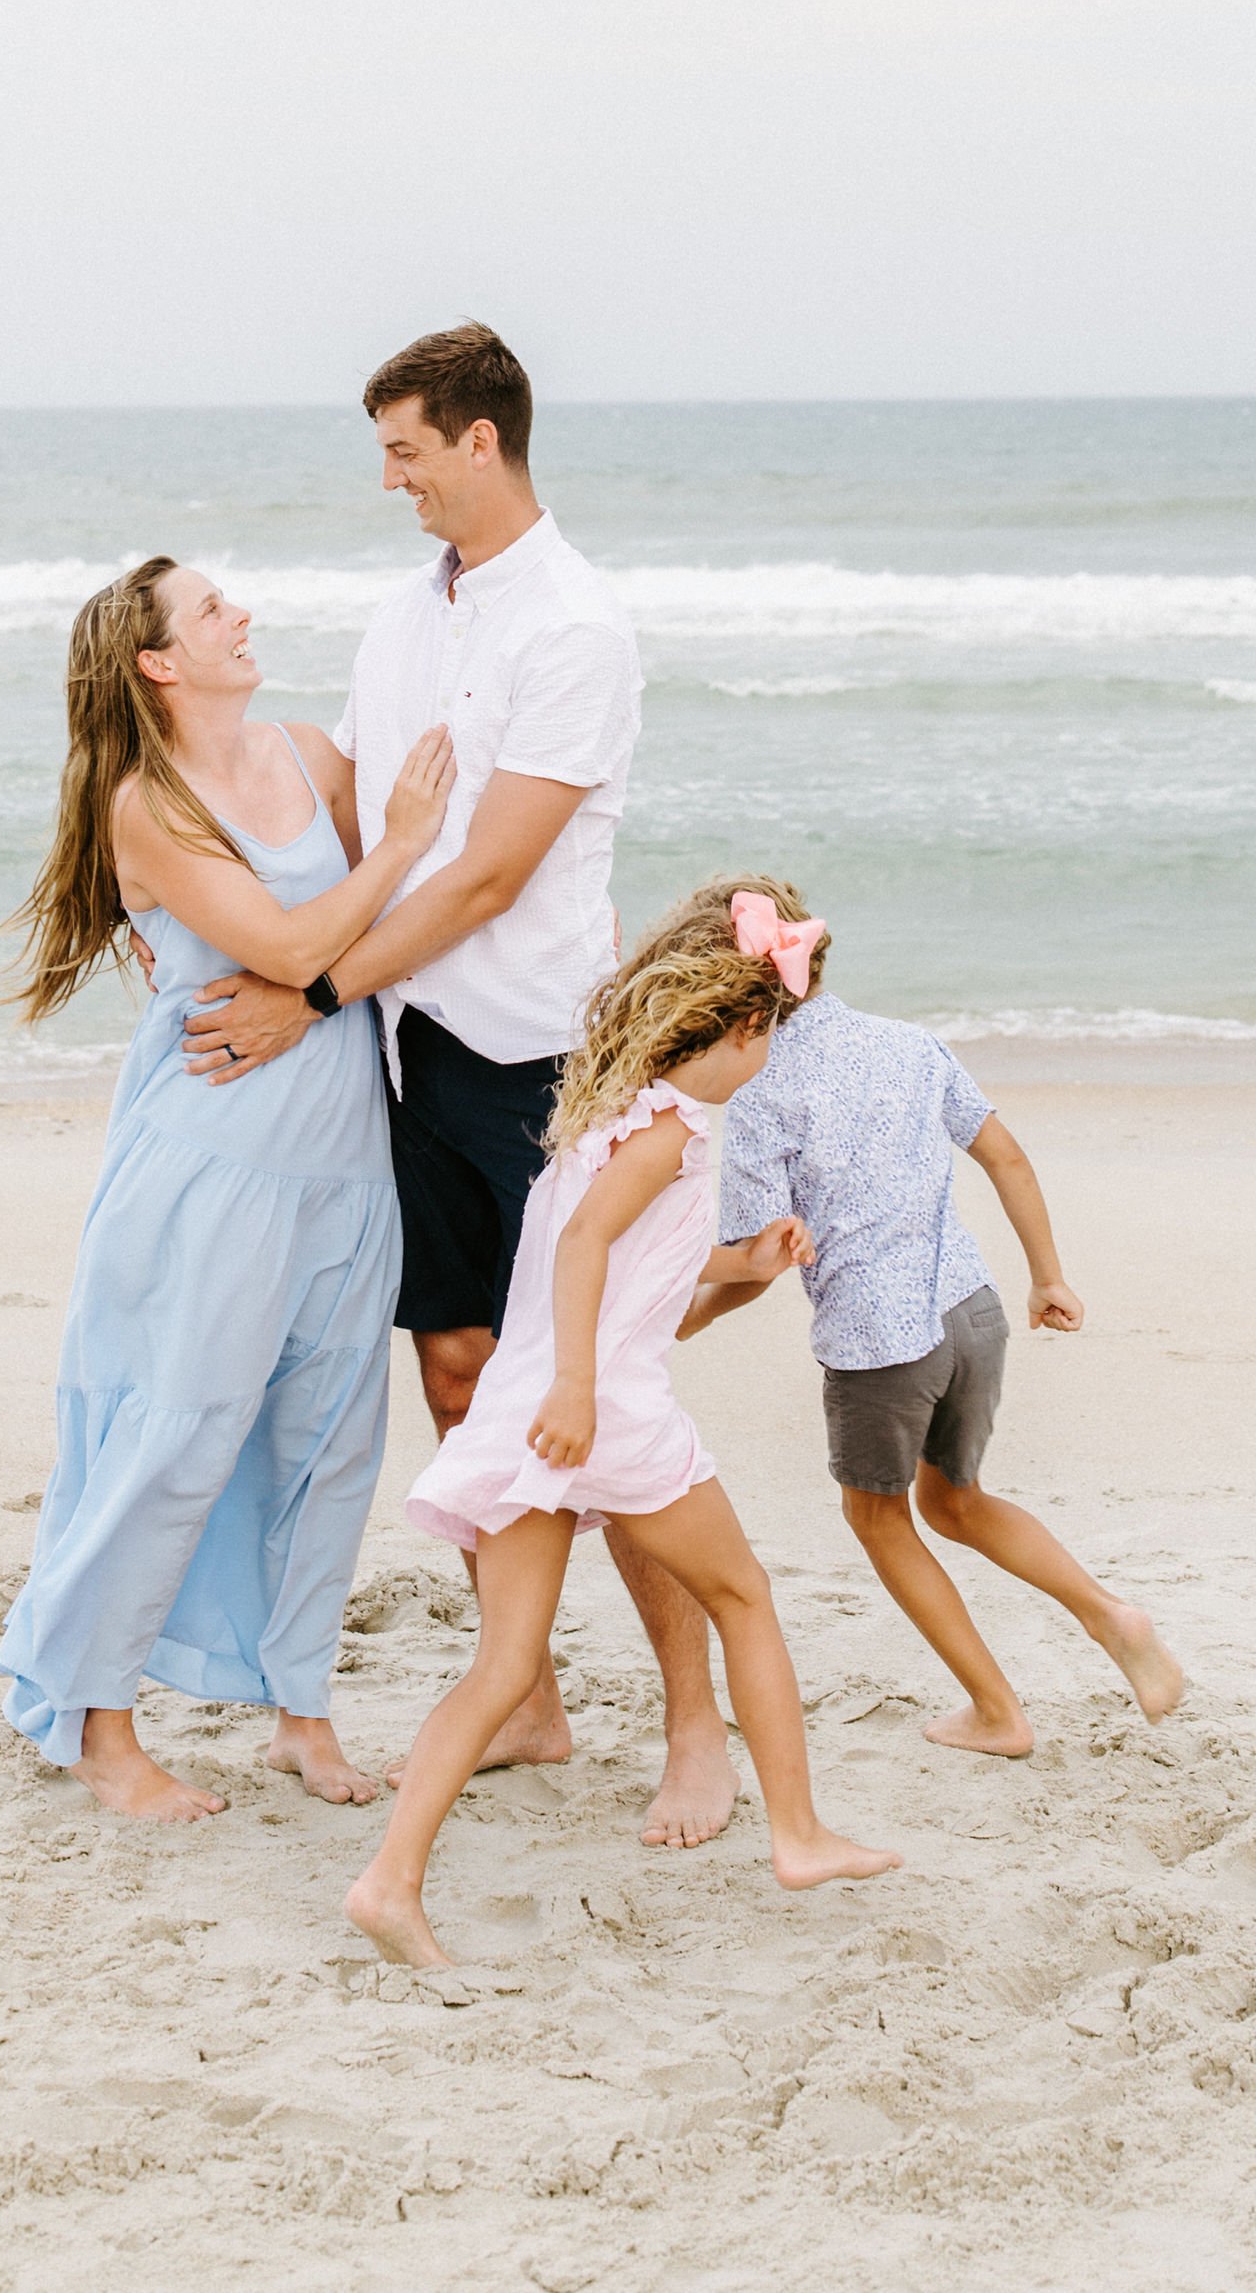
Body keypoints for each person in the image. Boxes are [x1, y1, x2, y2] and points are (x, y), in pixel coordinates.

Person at [178, 322, 741, 1848]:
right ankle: (535, 1695)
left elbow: (489, 871)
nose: (392, 479)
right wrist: (188, 784)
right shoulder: (395, 616)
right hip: (415, 1059)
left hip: (552, 1063)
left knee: (603, 1406)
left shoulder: (576, 628)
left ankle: (698, 1726)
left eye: (408, 451)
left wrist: (307, 991)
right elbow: (363, 809)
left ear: (481, 440)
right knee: (456, 1375)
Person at [345, 882, 900, 1968]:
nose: (767, 1060)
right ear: (742, 1026)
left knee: (502, 1663)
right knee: (742, 1598)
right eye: (771, 1037)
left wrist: (744, 1261)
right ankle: (798, 1835)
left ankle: (388, 1881)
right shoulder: (674, 1130)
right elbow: (583, 1248)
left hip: (529, 1412)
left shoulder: (612, 1110)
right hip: (600, 1413)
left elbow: (640, 1267)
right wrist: (581, 1394)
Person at [0, 558, 457, 1820]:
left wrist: (338, 955)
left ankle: (297, 1712)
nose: (237, 615)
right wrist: (394, 854)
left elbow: (368, 938)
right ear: (157, 661)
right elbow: (304, 941)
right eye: (207, 610)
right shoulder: (148, 806)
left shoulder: (308, 754)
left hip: (346, 1164)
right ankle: (102, 1729)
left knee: (326, 1444)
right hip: (212, 1171)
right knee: (178, 1437)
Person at [701, 882, 1185, 1755]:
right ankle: (1114, 1618)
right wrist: (1048, 1277)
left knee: (879, 1519)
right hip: (971, 1309)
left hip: (880, 1344)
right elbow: (1005, 1154)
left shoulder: (761, 1094)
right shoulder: (910, 1045)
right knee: (955, 1502)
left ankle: (998, 1712)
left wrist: (682, 1319)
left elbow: (761, 1262)